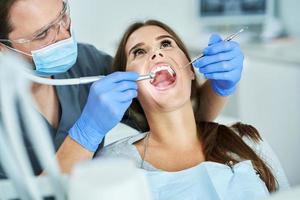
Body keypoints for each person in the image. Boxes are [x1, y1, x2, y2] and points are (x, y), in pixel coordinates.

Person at [0, 0, 244, 177]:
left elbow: (181, 119)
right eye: (44, 33)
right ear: (3, 47)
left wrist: (221, 86)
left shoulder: (87, 63)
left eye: (63, 14)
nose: (64, 35)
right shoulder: (122, 164)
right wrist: (86, 133)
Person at [96, 20, 290, 199]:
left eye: (165, 44)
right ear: (129, 87)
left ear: (190, 70)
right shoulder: (114, 164)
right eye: (139, 52)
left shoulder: (246, 140)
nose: (156, 54)